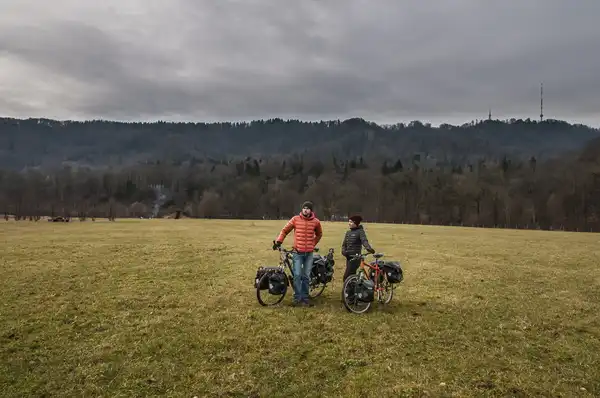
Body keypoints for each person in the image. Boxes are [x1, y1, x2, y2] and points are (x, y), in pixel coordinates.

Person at [273, 201, 323, 307]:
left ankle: (305, 298)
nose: (305, 210)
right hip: (297, 252)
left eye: (308, 208)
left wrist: (313, 243)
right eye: (304, 208)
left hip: (309, 253)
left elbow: (319, 234)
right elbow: (285, 230)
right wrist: (279, 241)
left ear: (311, 210)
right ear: (302, 209)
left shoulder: (316, 222)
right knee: (297, 275)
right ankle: (297, 298)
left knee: (306, 276)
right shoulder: (295, 219)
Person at [341, 215, 375, 282]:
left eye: (351, 222)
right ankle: (352, 290)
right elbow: (344, 244)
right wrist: (343, 251)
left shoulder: (360, 232)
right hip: (348, 257)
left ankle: (348, 290)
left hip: (356, 257)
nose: (349, 223)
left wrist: (369, 248)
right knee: (351, 275)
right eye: (349, 222)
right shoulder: (348, 232)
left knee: (346, 276)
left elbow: (364, 241)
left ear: (355, 223)